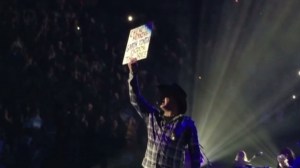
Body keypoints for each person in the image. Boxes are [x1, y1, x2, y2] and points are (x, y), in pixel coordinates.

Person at [127, 59, 203, 168]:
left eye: (166, 95)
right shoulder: (152, 116)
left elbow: (195, 156)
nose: (161, 98)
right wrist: (133, 73)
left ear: (176, 100)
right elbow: (135, 99)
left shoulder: (187, 124)